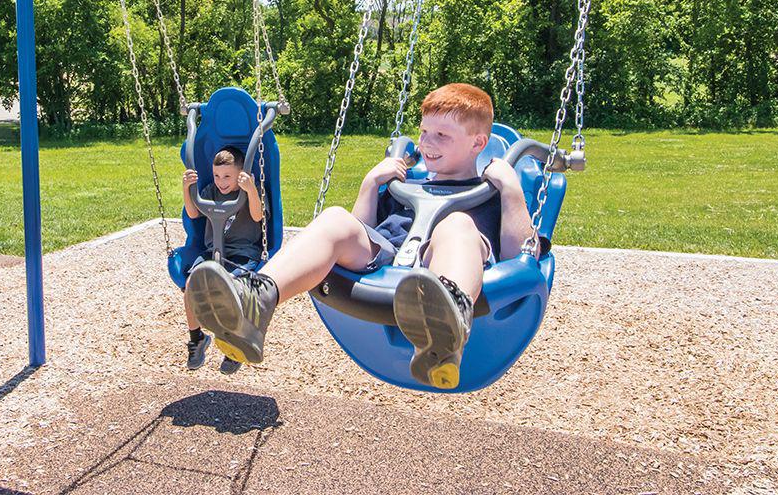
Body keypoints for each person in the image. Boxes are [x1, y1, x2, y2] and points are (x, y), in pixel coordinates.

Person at [185, 83, 533, 389]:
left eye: (442, 136)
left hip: (447, 266)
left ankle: (447, 322)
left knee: (455, 225)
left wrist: (511, 188)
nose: (427, 143)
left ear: (479, 143)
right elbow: (360, 230)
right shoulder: (404, 182)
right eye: (425, 132)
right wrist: (371, 183)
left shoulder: (489, 188)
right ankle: (255, 302)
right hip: (389, 252)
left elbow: (522, 255)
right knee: (336, 217)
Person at [180, 145, 266, 375]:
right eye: (217, 175)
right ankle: (196, 338)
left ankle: (234, 344)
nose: (221, 181)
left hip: (241, 254)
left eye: (227, 176)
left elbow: (258, 216)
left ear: (240, 174)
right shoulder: (210, 191)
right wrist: (186, 189)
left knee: (231, 290)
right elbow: (193, 213)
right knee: (191, 286)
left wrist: (250, 190)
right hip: (212, 252)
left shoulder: (249, 191)